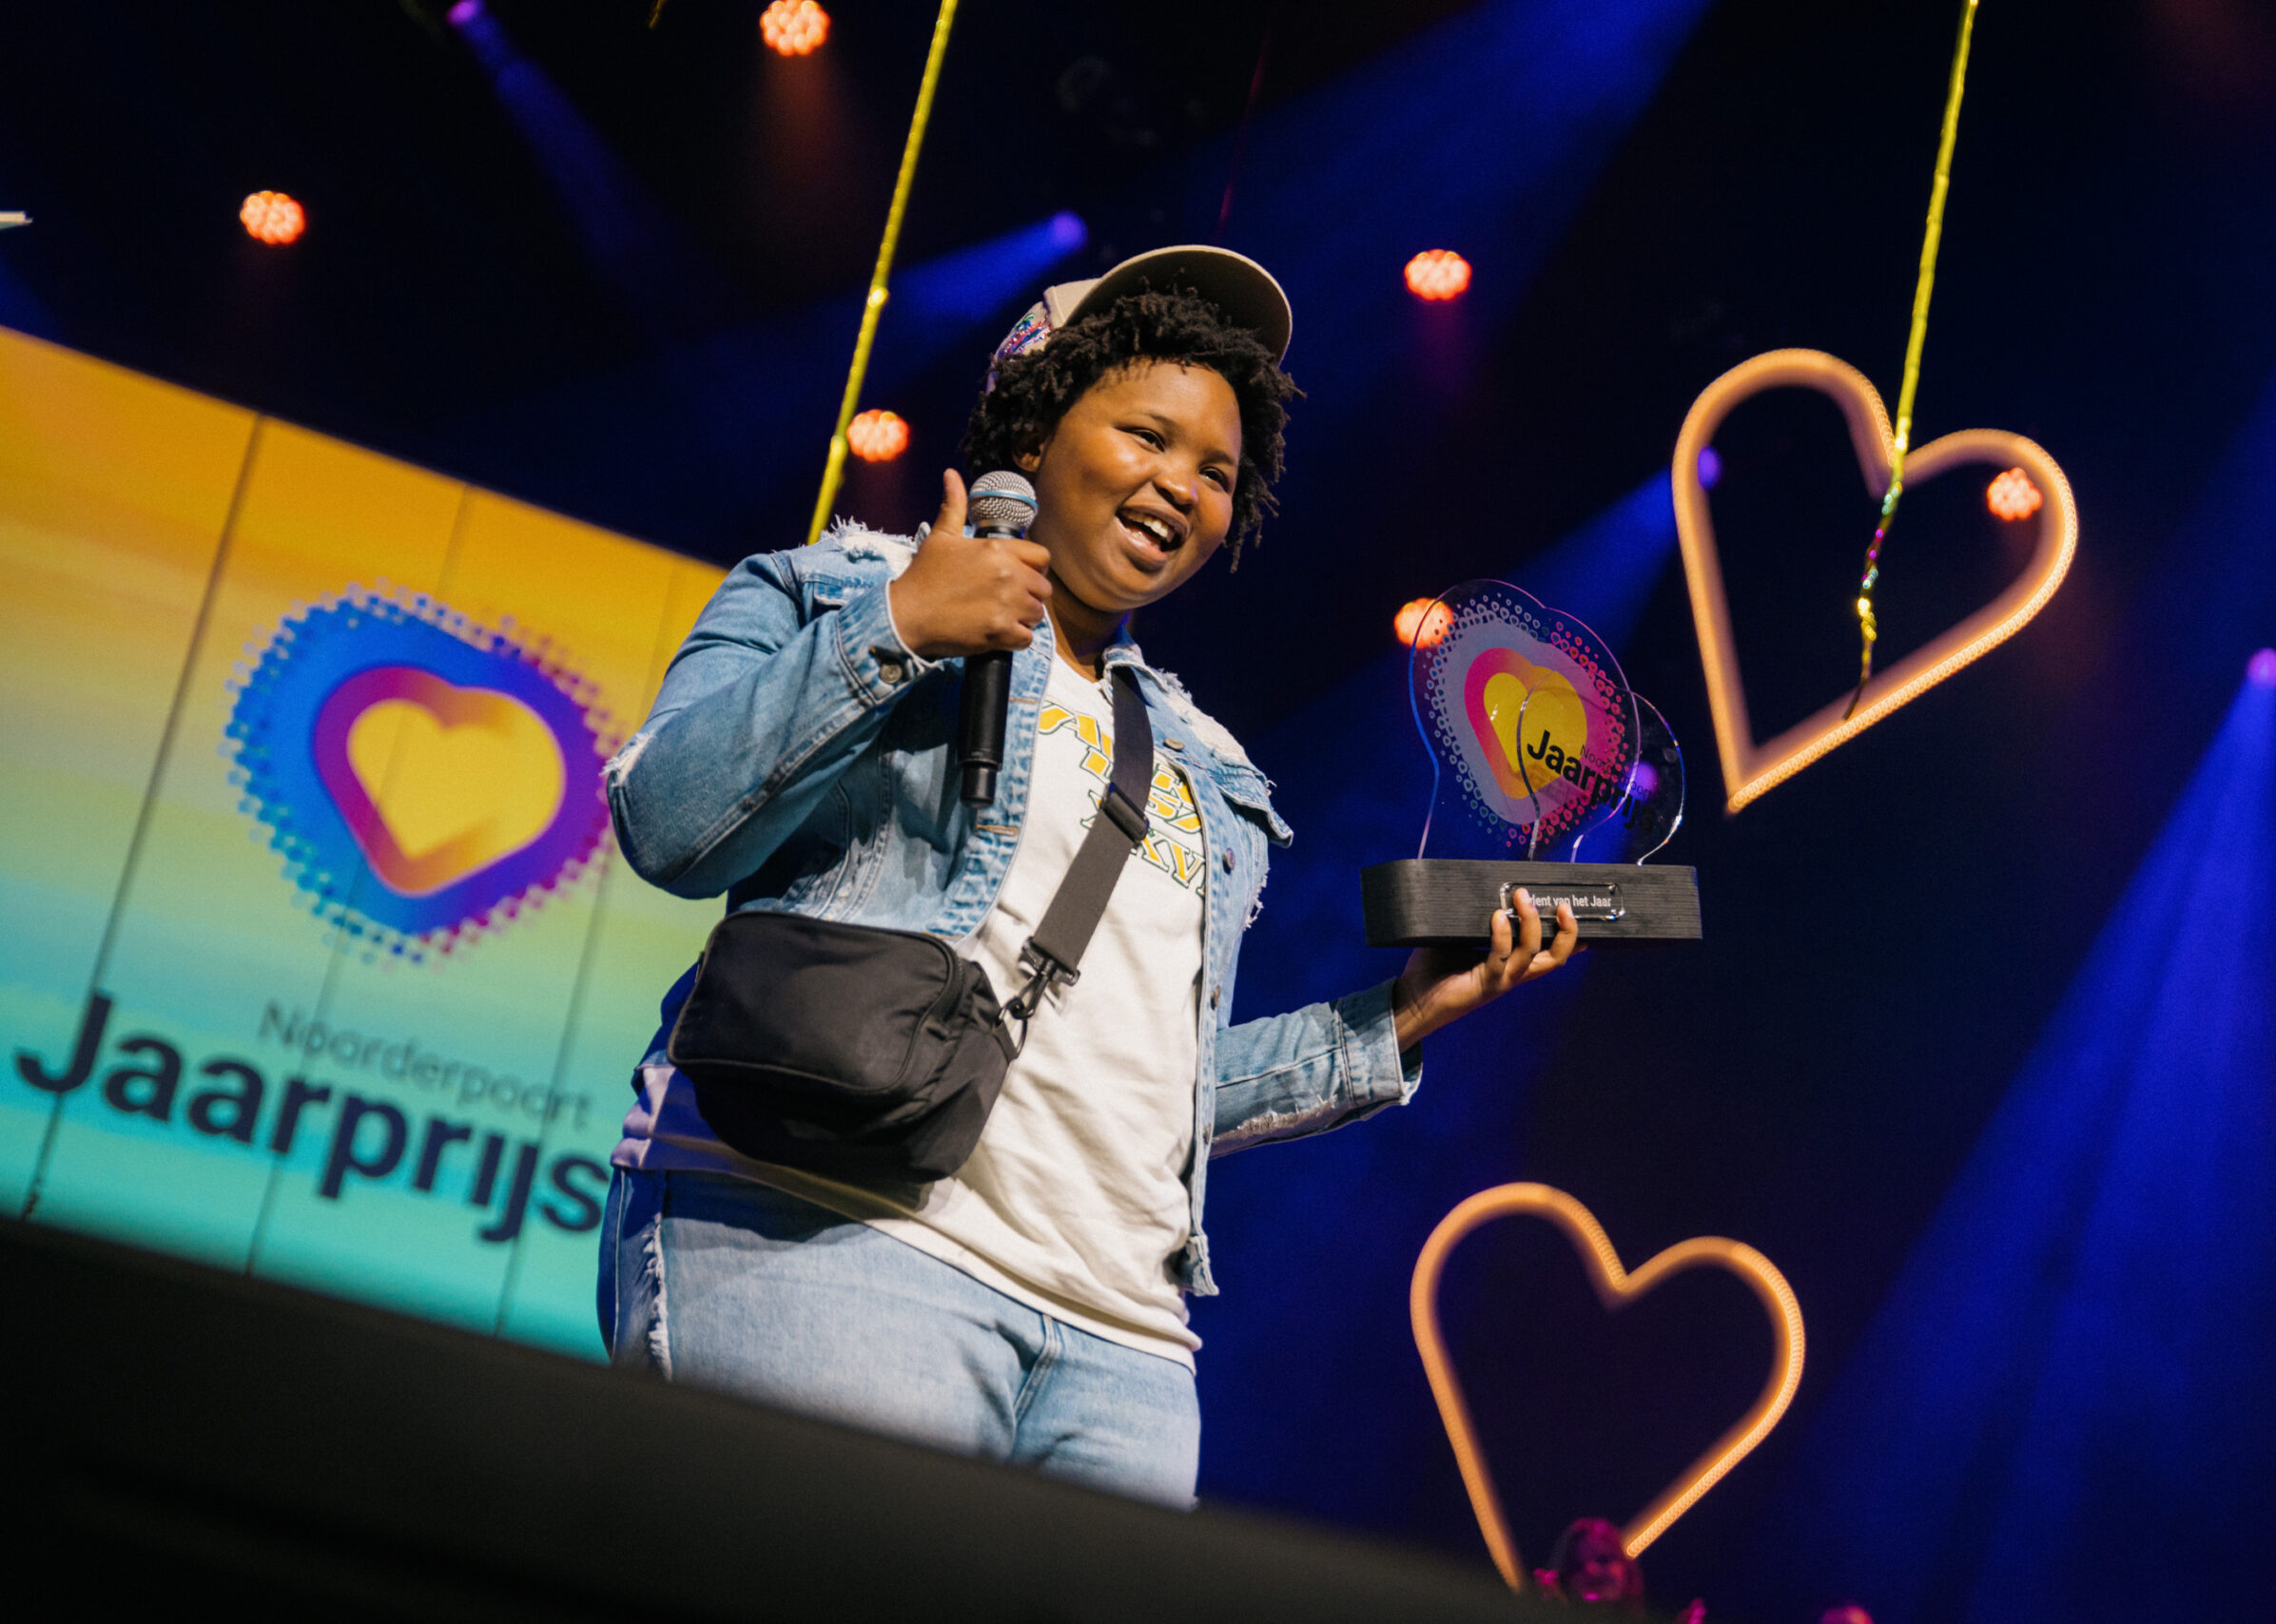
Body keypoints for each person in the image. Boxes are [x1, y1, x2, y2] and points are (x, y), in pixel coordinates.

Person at [596, 245, 1579, 1509]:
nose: (1183, 485)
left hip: (1122, 1347)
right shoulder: (827, 590)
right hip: (831, 1237)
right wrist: (896, 630)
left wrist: (1396, 1021)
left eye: (1217, 471)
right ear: (1034, 430)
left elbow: (1150, 1093)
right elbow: (667, 823)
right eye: (1147, 436)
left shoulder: (1206, 765)